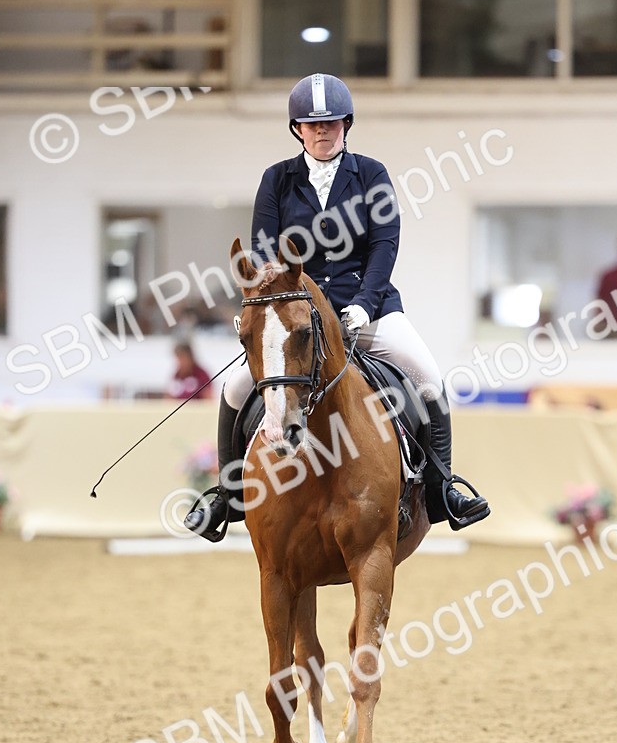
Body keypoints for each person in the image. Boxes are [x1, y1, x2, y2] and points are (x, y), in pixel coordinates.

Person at [186, 73, 490, 541]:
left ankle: (441, 489)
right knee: (234, 388)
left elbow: (384, 246)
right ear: (297, 130)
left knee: (428, 376)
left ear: (346, 124)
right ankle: (227, 498)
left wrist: (366, 306)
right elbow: (265, 253)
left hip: (368, 310)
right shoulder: (277, 180)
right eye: (311, 124)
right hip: (295, 318)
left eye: (330, 122)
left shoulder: (371, 174)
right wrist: (260, 310)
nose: (321, 131)